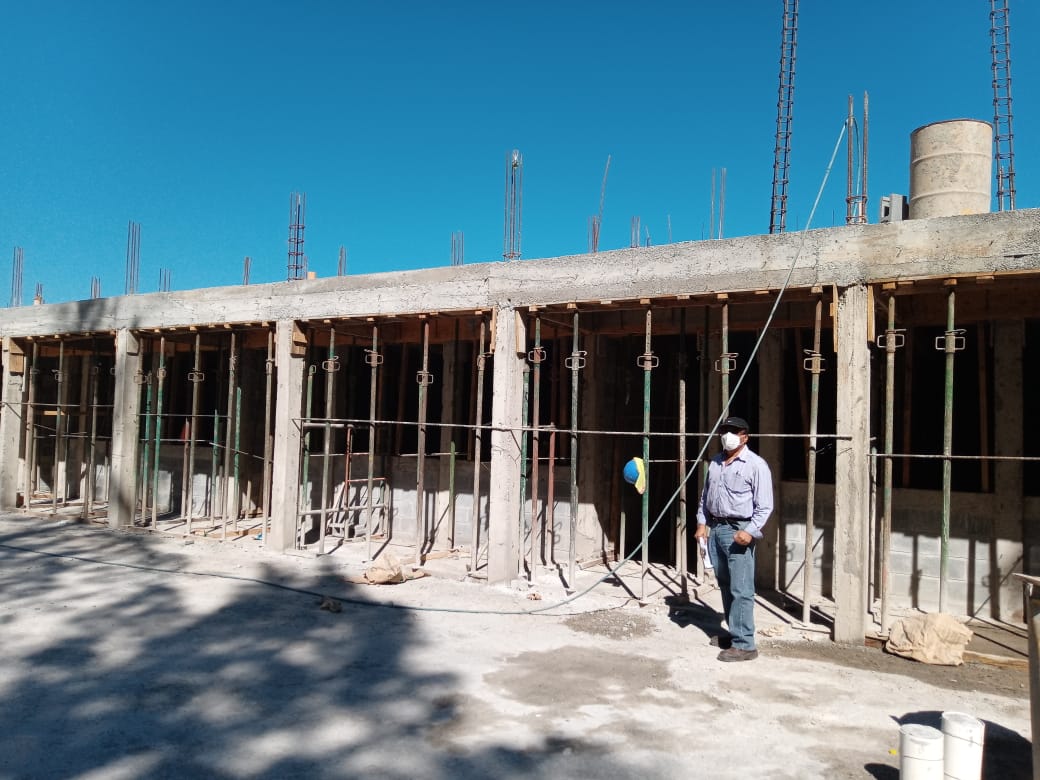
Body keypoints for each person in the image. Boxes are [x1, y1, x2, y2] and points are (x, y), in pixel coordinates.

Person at [694, 416, 773, 662]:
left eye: (733, 431)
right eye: (724, 430)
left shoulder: (756, 465)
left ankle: (745, 644)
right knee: (726, 585)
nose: (727, 435)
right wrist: (702, 523)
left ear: (745, 437)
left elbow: (765, 506)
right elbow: (705, 496)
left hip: (739, 531)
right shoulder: (716, 463)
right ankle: (734, 633)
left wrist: (750, 531)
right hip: (717, 529)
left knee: (741, 589)